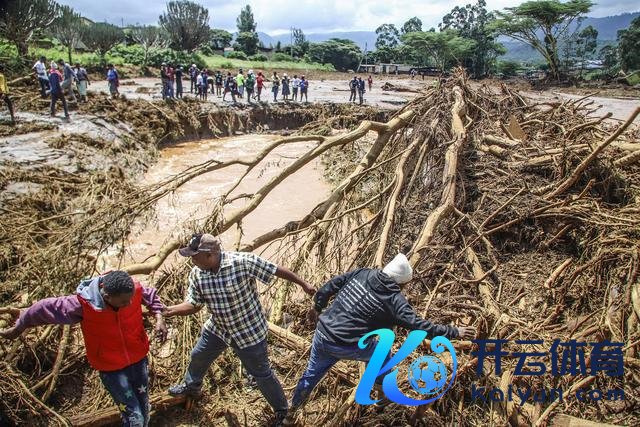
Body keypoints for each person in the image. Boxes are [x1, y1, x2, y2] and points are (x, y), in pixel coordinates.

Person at [286, 254, 476, 420]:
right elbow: (421, 327)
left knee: (310, 375)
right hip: (345, 344)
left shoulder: (362, 273)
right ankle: (380, 393)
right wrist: (454, 332)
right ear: (402, 284)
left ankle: (291, 413)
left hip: (322, 333)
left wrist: (317, 307)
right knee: (382, 350)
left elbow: (331, 286)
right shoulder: (395, 302)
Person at [163, 234, 315, 426]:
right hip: (219, 327)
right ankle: (191, 387)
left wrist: (304, 284)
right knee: (198, 354)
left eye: (194, 255)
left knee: (261, 374)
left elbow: (276, 270)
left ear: (209, 254)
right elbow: (194, 304)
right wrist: (171, 310)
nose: (191, 259)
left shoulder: (242, 262)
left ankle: (282, 412)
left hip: (248, 331)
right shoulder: (197, 273)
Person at [0, 270, 168, 427]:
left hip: (138, 359)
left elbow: (149, 294)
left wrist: (159, 318)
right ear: (107, 297)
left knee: (144, 409)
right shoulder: (83, 305)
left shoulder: (131, 288)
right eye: (124, 302)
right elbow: (43, 308)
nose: (130, 302)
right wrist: (17, 329)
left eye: (131, 298)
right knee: (134, 417)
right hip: (111, 368)